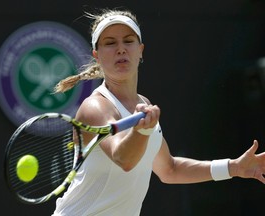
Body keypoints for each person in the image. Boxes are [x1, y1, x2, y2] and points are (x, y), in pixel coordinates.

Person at [51, 8, 265, 216]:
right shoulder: (95, 107)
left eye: (128, 40)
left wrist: (233, 168)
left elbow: (169, 169)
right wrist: (141, 132)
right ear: (96, 55)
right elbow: (124, 159)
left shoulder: (143, 103)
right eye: (110, 43)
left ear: (140, 50)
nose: (121, 49)